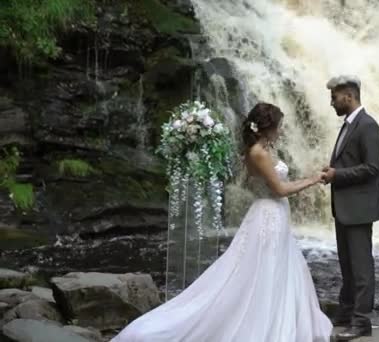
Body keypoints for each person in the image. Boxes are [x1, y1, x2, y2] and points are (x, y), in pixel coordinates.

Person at [111, 102, 333, 342]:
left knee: (272, 270)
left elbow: (254, 184)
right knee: (262, 272)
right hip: (269, 214)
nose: (280, 131)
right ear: (264, 128)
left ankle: (275, 317)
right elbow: (279, 189)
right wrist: (312, 179)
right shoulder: (258, 152)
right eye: (277, 126)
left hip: (272, 214)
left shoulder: (260, 149)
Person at [321, 75, 379, 340]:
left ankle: (361, 322)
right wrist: (333, 172)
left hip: (359, 208)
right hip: (346, 207)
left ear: (349, 96)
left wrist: (336, 175)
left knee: (361, 268)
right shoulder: (351, 124)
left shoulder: (368, 126)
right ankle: (346, 313)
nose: (332, 103)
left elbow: (373, 169)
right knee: (348, 266)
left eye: (334, 97)